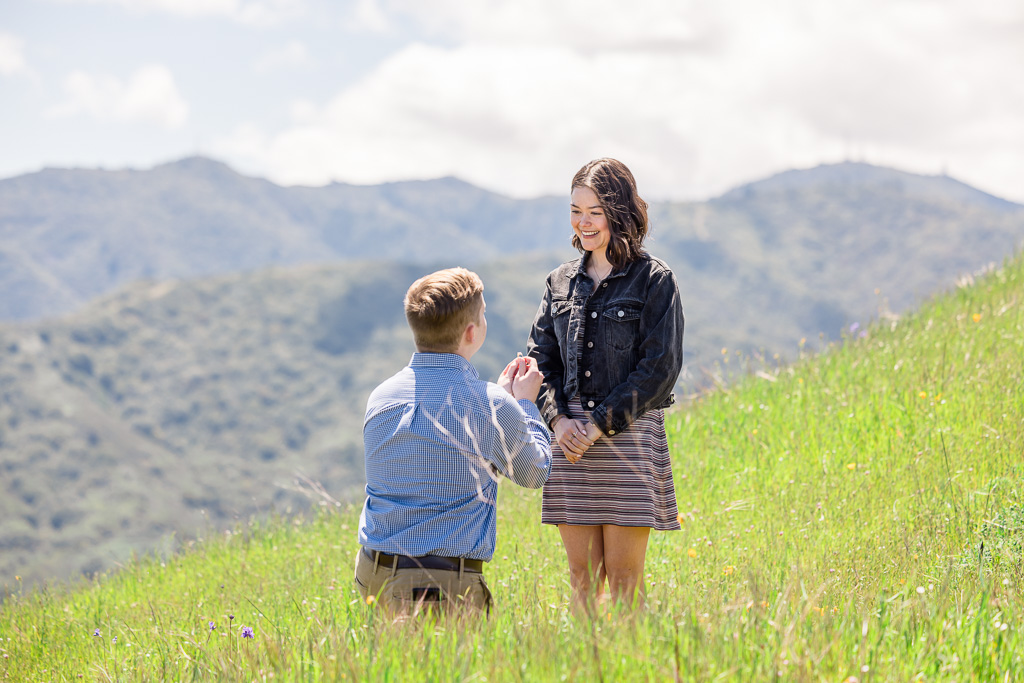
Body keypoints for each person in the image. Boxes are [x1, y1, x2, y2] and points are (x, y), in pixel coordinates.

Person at [527, 158, 684, 612]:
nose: (583, 222)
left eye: (595, 211)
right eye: (576, 210)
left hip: (627, 437)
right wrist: (558, 424)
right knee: (582, 582)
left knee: (624, 582)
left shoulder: (655, 280)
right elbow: (540, 362)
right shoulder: (559, 282)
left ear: (619, 211)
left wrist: (597, 424)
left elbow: (660, 368)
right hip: (569, 442)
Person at [355, 267, 552, 616]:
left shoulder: (381, 397)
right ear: (472, 332)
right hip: (440, 585)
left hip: (374, 570)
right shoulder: (492, 404)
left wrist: (504, 407)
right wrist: (523, 405)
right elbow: (534, 473)